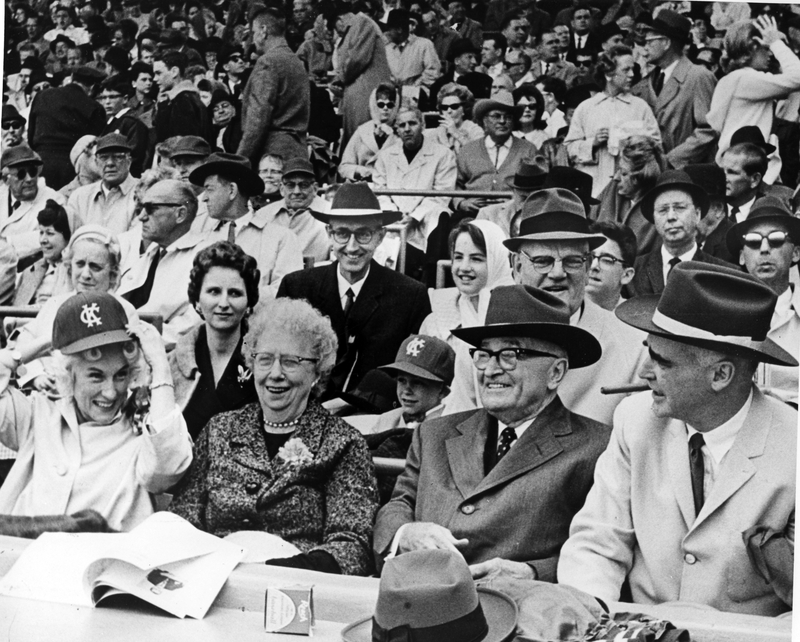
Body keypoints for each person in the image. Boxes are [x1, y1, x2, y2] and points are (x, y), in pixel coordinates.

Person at [558, 261, 797, 616]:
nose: (643, 372)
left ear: (720, 375)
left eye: (662, 361)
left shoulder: (793, 445)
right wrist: (597, 622)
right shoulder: (634, 419)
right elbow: (597, 543)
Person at [373, 284, 609, 580]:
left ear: (556, 373)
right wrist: (406, 533)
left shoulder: (595, 448)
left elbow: (602, 551)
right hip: (421, 603)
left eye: (510, 354)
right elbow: (398, 504)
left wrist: (531, 573)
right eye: (484, 354)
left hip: (519, 613)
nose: (490, 369)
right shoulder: (434, 434)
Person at [168, 297, 378, 576]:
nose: (275, 374)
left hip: (295, 587)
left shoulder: (343, 443)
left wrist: (273, 572)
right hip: (211, 580)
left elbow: (352, 546)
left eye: (291, 362)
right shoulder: (219, 429)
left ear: (317, 371)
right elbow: (184, 516)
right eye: (265, 359)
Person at [0, 291, 193, 532]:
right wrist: (48, 343)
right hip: (20, 557)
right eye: (96, 376)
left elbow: (168, 468)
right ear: (69, 374)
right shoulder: (38, 412)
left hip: (100, 563)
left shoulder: (143, 426)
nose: (111, 393)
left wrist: (161, 367)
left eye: (121, 375)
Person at [506, 188, 647, 426]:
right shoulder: (483, 345)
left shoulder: (633, 348)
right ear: (517, 267)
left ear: (588, 265)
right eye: (542, 261)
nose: (558, 273)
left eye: (572, 261)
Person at [277, 183, 430, 396]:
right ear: (329, 234)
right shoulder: (297, 287)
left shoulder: (410, 295)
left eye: (363, 234)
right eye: (342, 233)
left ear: (380, 236)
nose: (352, 247)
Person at [420, 218, 514, 413]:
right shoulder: (437, 316)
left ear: (497, 260)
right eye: (458, 257)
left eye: (476, 258)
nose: (463, 267)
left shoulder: (515, 312)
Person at [168, 242, 259, 439]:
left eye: (234, 293)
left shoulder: (265, 360)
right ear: (197, 300)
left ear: (248, 301)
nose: (224, 303)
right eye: (214, 291)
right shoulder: (174, 362)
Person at [188, 152, 303, 296]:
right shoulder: (200, 235)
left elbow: (288, 288)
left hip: (260, 317)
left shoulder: (281, 238)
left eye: (209, 189)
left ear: (232, 190)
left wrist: (240, 301)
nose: (204, 198)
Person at [116, 179, 210, 349]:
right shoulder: (153, 251)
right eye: (141, 208)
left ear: (180, 214)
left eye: (151, 209)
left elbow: (191, 326)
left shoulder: (204, 258)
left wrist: (134, 341)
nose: (141, 216)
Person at [725, 196, 800, 405]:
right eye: (753, 241)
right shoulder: (723, 316)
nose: (764, 249)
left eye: (776, 240)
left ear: (796, 253)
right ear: (742, 257)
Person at [564, 45, 661, 198]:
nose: (631, 75)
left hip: (631, 190)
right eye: (625, 70)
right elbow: (570, 148)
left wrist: (635, 142)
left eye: (633, 69)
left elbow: (657, 146)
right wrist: (593, 143)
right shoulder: (586, 108)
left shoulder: (640, 107)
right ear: (608, 74)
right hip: (595, 189)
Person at [707, 15, 800, 168]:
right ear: (751, 48)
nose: (771, 54)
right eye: (766, 48)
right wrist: (776, 43)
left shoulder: (736, 78)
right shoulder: (746, 79)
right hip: (742, 164)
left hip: (738, 161)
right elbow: (798, 76)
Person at [631, 9, 717, 168]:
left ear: (666, 43)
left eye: (649, 41)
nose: (644, 48)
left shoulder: (698, 76)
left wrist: (670, 160)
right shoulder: (645, 83)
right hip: (650, 173)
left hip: (685, 174)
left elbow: (708, 130)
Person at [628, 170, 729, 297]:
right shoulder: (634, 271)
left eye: (680, 208)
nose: (671, 217)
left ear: (697, 215)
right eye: (663, 210)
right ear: (654, 219)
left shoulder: (723, 274)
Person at [373, 107, 457, 254]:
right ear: (396, 130)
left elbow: (442, 194)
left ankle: (430, 273)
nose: (407, 129)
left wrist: (414, 216)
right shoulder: (385, 156)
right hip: (393, 218)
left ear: (423, 125)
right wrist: (395, 215)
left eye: (412, 123)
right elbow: (380, 192)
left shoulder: (443, 154)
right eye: (402, 125)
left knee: (440, 215)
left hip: (426, 217)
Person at [236, 7, 309, 166]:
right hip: (298, 151)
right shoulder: (297, 62)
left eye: (253, 33)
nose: (253, 40)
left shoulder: (268, 62)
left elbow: (258, 120)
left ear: (263, 31)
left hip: (271, 157)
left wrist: (240, 160)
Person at [453, 90, 537, 215]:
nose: (502, 121)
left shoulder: (528, 149)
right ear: (485, 120)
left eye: (508, 117)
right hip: (473, 213)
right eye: (496, 116)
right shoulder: (467, 150)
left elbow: (537, 187)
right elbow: (456, 184)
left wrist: (517, 202)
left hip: (513, 213)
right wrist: (461, 203)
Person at [322, 1, 391, 151]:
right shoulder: (357, 26)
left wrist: (340, 77)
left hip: (366, 98)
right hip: (357, 97)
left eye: (335, 28)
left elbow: (357, 60)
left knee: (363, 146)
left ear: (339, 20)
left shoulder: (362, 23)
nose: (337, 34)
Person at [26, 66, 107, 190]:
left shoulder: (42, 96)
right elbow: (92, 143)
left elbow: (31, 135)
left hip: (40, 162)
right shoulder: (93, 106)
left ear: (72, 79)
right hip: (70, 167)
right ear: (92, 87)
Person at [591, 135, 664, 256]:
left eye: (624, 173)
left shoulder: (658, 205)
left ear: (640, 178)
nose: (616, 177)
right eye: (618, 170)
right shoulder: (613, 188)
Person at [254, 158, 331, 265]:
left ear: (315, 189)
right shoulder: (264, 214)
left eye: (303, 185)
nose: (296, 191)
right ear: (281, 189)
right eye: (290, 185)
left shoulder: (329, 213)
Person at [0, 145, 68, 262]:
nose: (29, 179)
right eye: (21, 174)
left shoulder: (54, 200)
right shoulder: (2, 195)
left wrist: (7, 242)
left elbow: (52, 236)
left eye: (32, 172)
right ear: (6, 180)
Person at [66, 133, 139, 235]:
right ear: (96, 162)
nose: (110, 163)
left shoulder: (142, 192)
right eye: (104, 157)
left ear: (129, 161)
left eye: (118, 157)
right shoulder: (79, 197)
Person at [13, 200, 71, 307]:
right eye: (41, 232)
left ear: (68, 237)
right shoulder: (31, 270)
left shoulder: (75, 274)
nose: (43, 240)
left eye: (50, 233)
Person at [339, 84, 400, 182]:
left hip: (390, 184)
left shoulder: (401, 131)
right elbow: (344, 167)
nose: (385, 108)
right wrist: (361, 171)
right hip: (364, 184)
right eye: (381, 104)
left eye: (390, 105)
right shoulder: (362, 131)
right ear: (374, 105)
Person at [153, 50, 212, 145]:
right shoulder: (189, 98)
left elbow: (185, 147)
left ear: (174, 71)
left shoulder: (182, 102)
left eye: (158, 73)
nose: (154, 78)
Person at [476, 158, 547, 236]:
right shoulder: (487, 214)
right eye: (523, 197)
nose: (527, 203)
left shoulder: (553, 217)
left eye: (534, 198)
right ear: (514, 191)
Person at [98, 75, 150, 177]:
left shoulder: (132, 123)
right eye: (103, 98)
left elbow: (134, 157)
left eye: (112, 97)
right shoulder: (112, 121)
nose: (107, 102)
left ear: (125, 99)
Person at [585, 221, 635, 311]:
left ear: (627, 275)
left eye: (607, 260)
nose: (593, 266)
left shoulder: (633, 319)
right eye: (589, 256)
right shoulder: (560, 312)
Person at [384, 9, 441, 89]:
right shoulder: (387, 48)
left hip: (419, 94)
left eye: (390, 30)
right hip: (392, 95)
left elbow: (433, 72)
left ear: (399, 30)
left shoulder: (424, 45)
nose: (388, 33)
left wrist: (413, 88)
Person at [512, 83, 548, 148]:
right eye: (522, 106)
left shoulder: (545, 139)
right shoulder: (508, 136)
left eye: (532, 106)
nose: (527, 110)